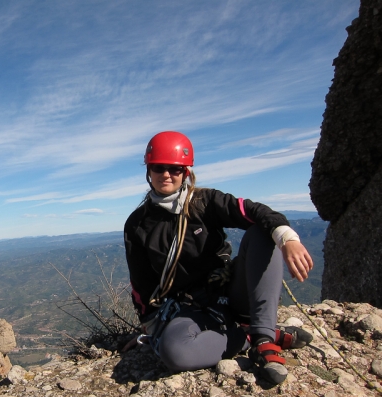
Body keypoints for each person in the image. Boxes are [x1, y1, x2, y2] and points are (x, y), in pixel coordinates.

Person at [123, 131, 314, 384]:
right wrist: (150, 322)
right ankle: (248, 337)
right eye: (159, 167)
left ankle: (264, 339)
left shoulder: (205, 202)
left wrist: (287, 238)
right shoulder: (138, 224)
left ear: (186, 172)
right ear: (149, 171)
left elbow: (253, 211)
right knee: (175, 353)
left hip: (231, 292)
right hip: (190, 308)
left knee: (261, 232)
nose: (166, 174)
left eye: (175, 168)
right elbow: (141, 281)